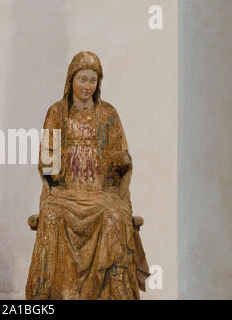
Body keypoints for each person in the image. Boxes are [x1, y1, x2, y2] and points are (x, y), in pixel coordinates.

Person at [26, 51, 149, 300]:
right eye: (82, 79)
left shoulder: (108, 114)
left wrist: (121, 161)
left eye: (92, 80)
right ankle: (50, 296)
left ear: (98, 83)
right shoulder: (57, 112)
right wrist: (51, 164)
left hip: (100, 192)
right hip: (65, 192)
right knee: (51, 216)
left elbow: (119, 155)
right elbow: (47, 152)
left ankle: (112, 293)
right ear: (71, 80)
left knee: (114, 216)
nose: (87, 86)